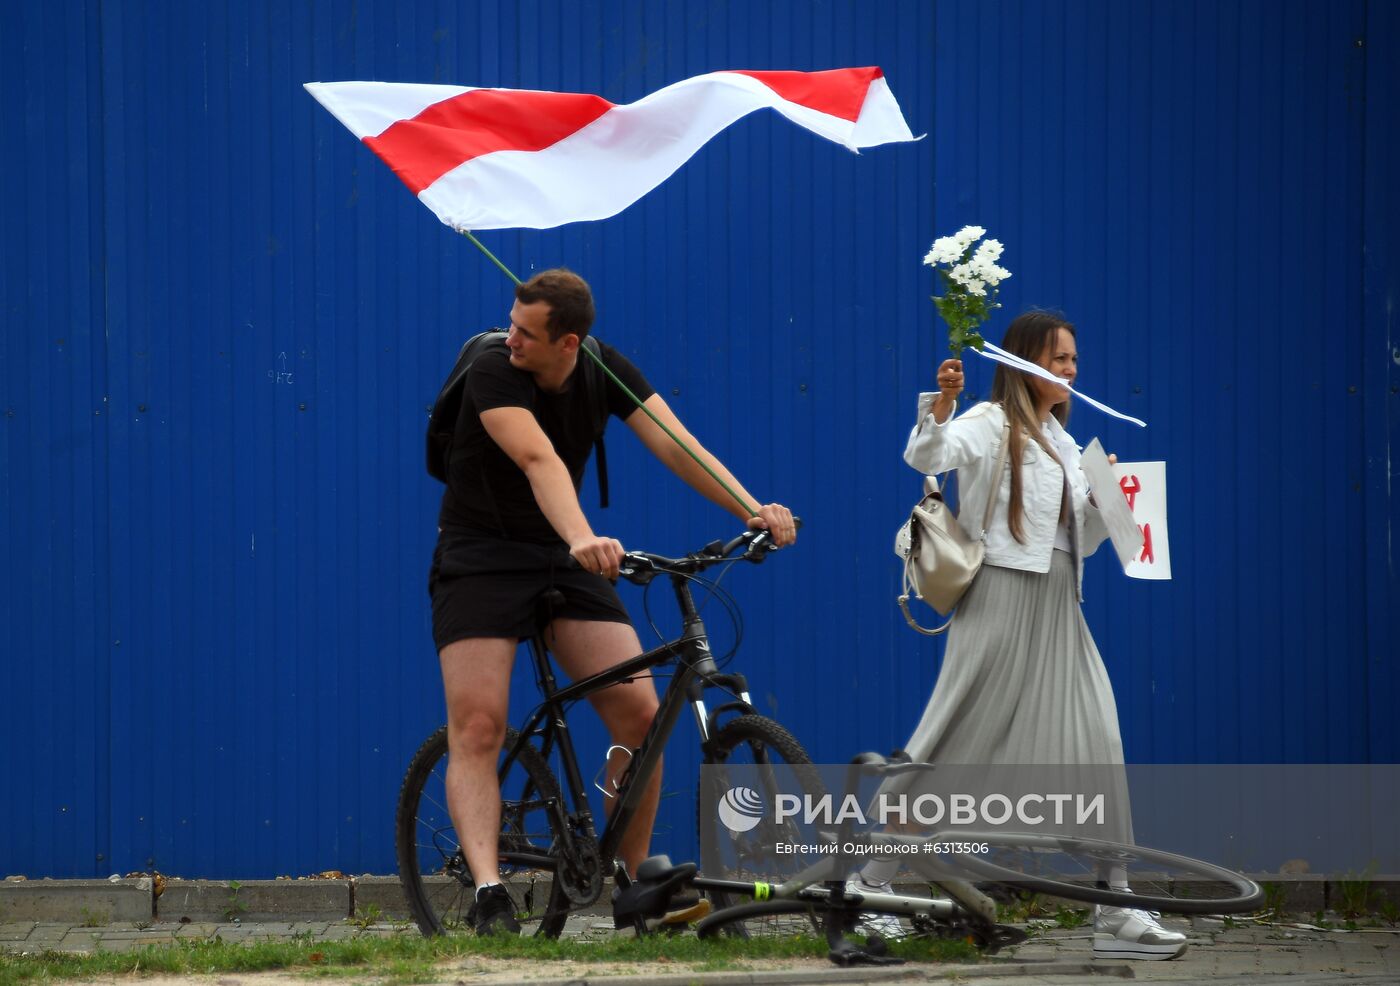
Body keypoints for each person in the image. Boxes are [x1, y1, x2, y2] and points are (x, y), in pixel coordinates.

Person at [429, 268, 796, 935]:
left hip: (563, 553)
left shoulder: (602, 368)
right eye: (510, 321)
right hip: (480, 554)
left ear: (568, 342)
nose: (508, 337)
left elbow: (676, 443)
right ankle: (488, 891)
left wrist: (752, 509)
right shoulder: (492, 368)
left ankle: (632, 884)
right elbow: (538, 460)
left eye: (525, 332)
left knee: (642, 714)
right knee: (479, 726)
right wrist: (581, 537)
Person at [856, 311, 1186, 960]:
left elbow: (1080, 541)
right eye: (1060, 359)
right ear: (1027, 362)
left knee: (1099, 740)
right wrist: (943, 403)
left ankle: (1114, 906)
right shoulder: (987, 422)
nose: (1071, 370)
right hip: (1000, 602)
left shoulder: (1067, 444)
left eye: (1074, 361)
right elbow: (926, 456)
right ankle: (872, 889)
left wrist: (1101, 502)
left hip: (1061, 607)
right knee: (950, 743)